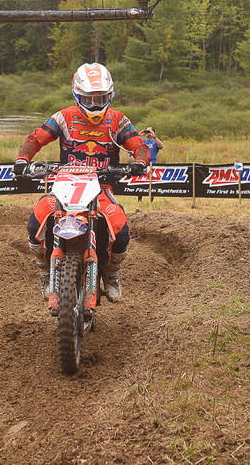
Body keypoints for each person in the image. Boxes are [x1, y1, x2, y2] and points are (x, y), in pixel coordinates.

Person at [12, 62, 149, 304]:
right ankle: (45, 272)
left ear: (111, 94)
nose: (96, 104)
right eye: (90, 98)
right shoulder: (63, 117)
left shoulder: (118, 120)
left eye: (101, 98)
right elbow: (36, 138)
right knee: (36, 222)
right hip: (66, 183)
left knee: (121, 229)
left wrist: (140, 161)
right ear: (77, 95)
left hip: (101, 186)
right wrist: (23, 160)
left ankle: (112, 274)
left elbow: (138, 144)